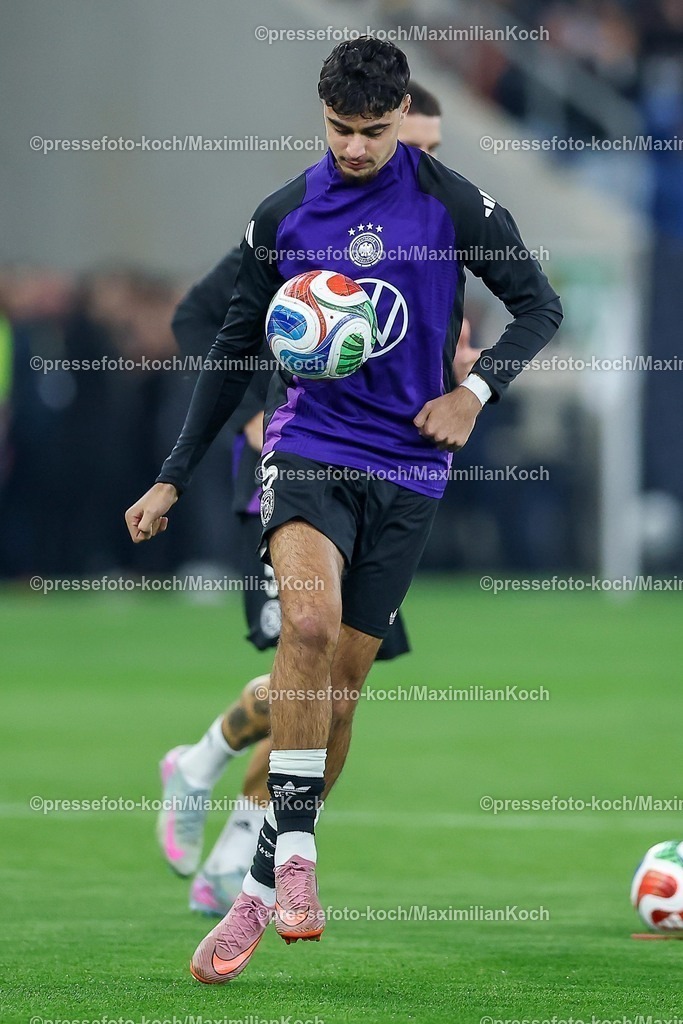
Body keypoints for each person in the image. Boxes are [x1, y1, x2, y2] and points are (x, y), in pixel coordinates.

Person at [125, 37, 562, 983]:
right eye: (339, 130)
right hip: (309, 450)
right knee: (308, 629)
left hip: (409, 471)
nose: (355, 148)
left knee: (341, 695)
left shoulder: (452, 204)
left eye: (372, 130)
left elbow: (538, 306)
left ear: (401, 113)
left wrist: (472, 396)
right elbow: (230, 349)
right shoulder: (284, 215)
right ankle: (300, 862)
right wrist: (172, 475)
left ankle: (251, 891)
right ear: (321, 114)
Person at [157, 81, 445, 919]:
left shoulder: (429, 230)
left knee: (331, 689)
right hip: (295, 474)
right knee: (307, 670)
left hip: (384, 482)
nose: (413, 165)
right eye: (413, 148)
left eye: (429, 151)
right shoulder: (302, 221)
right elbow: (199, 320)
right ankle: (218, 807)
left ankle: (226, 830)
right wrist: (249, 420)